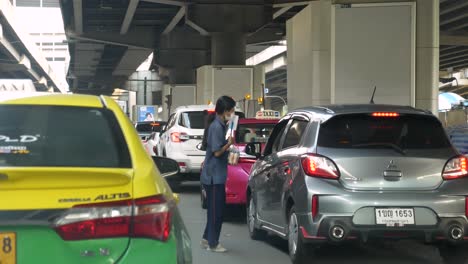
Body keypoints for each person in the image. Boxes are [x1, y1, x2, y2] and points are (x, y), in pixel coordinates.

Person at [200, 95, 236, 253]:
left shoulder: (220, 125)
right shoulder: (216, 127)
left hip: (215, 174)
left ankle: (207, 238)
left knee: (214, 210)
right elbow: (216, 152)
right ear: (225, 110)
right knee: (217, 212)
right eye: (232, 110)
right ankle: (213, 243)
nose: (233, 112)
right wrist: (229, 144)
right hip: (214, 176)